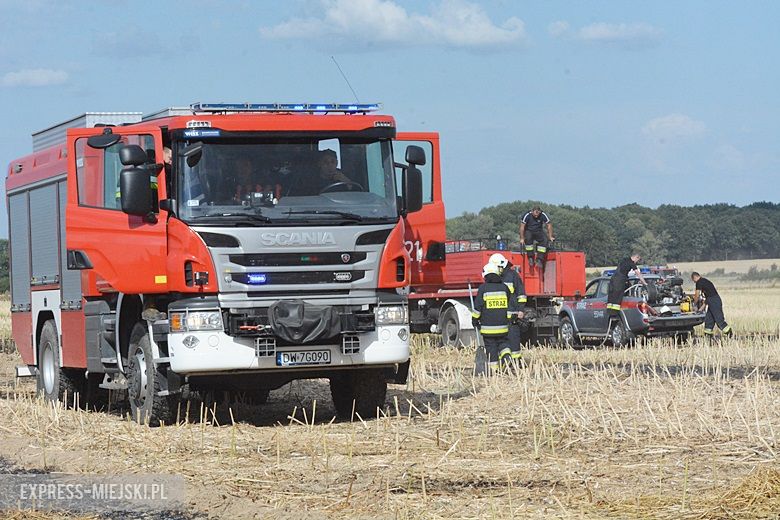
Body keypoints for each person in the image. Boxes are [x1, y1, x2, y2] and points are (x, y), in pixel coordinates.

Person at [471, 262, 516, 372]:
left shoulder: (483, 289)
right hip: (503, 326)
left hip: (488, 327)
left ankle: (494, 369)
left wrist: (475, 320)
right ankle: (506, 355)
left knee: (491, 347)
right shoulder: (504, 288)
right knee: (503, 343)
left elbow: (478, 307)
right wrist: (510, 319)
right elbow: (510, 304)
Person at [489, 253, 526, 361]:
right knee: (500, 341)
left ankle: (515, 362)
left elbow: (521, 294)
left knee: (513, 339)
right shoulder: (493, 278)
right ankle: (504, 362)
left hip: (512, 315)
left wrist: (521, 309)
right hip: (499, 316)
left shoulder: (513, 275)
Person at [691, 272, 733, 339]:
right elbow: (707, 299)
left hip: (714, 302)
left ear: (694, 277)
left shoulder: (699, 282)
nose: (693, 282)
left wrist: (694, 304)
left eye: (693, 280)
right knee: (709, 321)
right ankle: (708, 336)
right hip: (713, 301)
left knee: (719, 320)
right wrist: (700, 310)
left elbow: (697, 295)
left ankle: (729, 334)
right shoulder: (705, 281)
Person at [606, 253, 647, 320]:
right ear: (636, 257)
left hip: (613, 279)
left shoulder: (624, 259)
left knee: (612, 295)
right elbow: (638, 273)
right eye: (637, 260)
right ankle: (615, 314)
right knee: (618, 295)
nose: (636, 262)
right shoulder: (631, 263)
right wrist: (644, 282)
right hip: (620, 280)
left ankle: (610, 313)